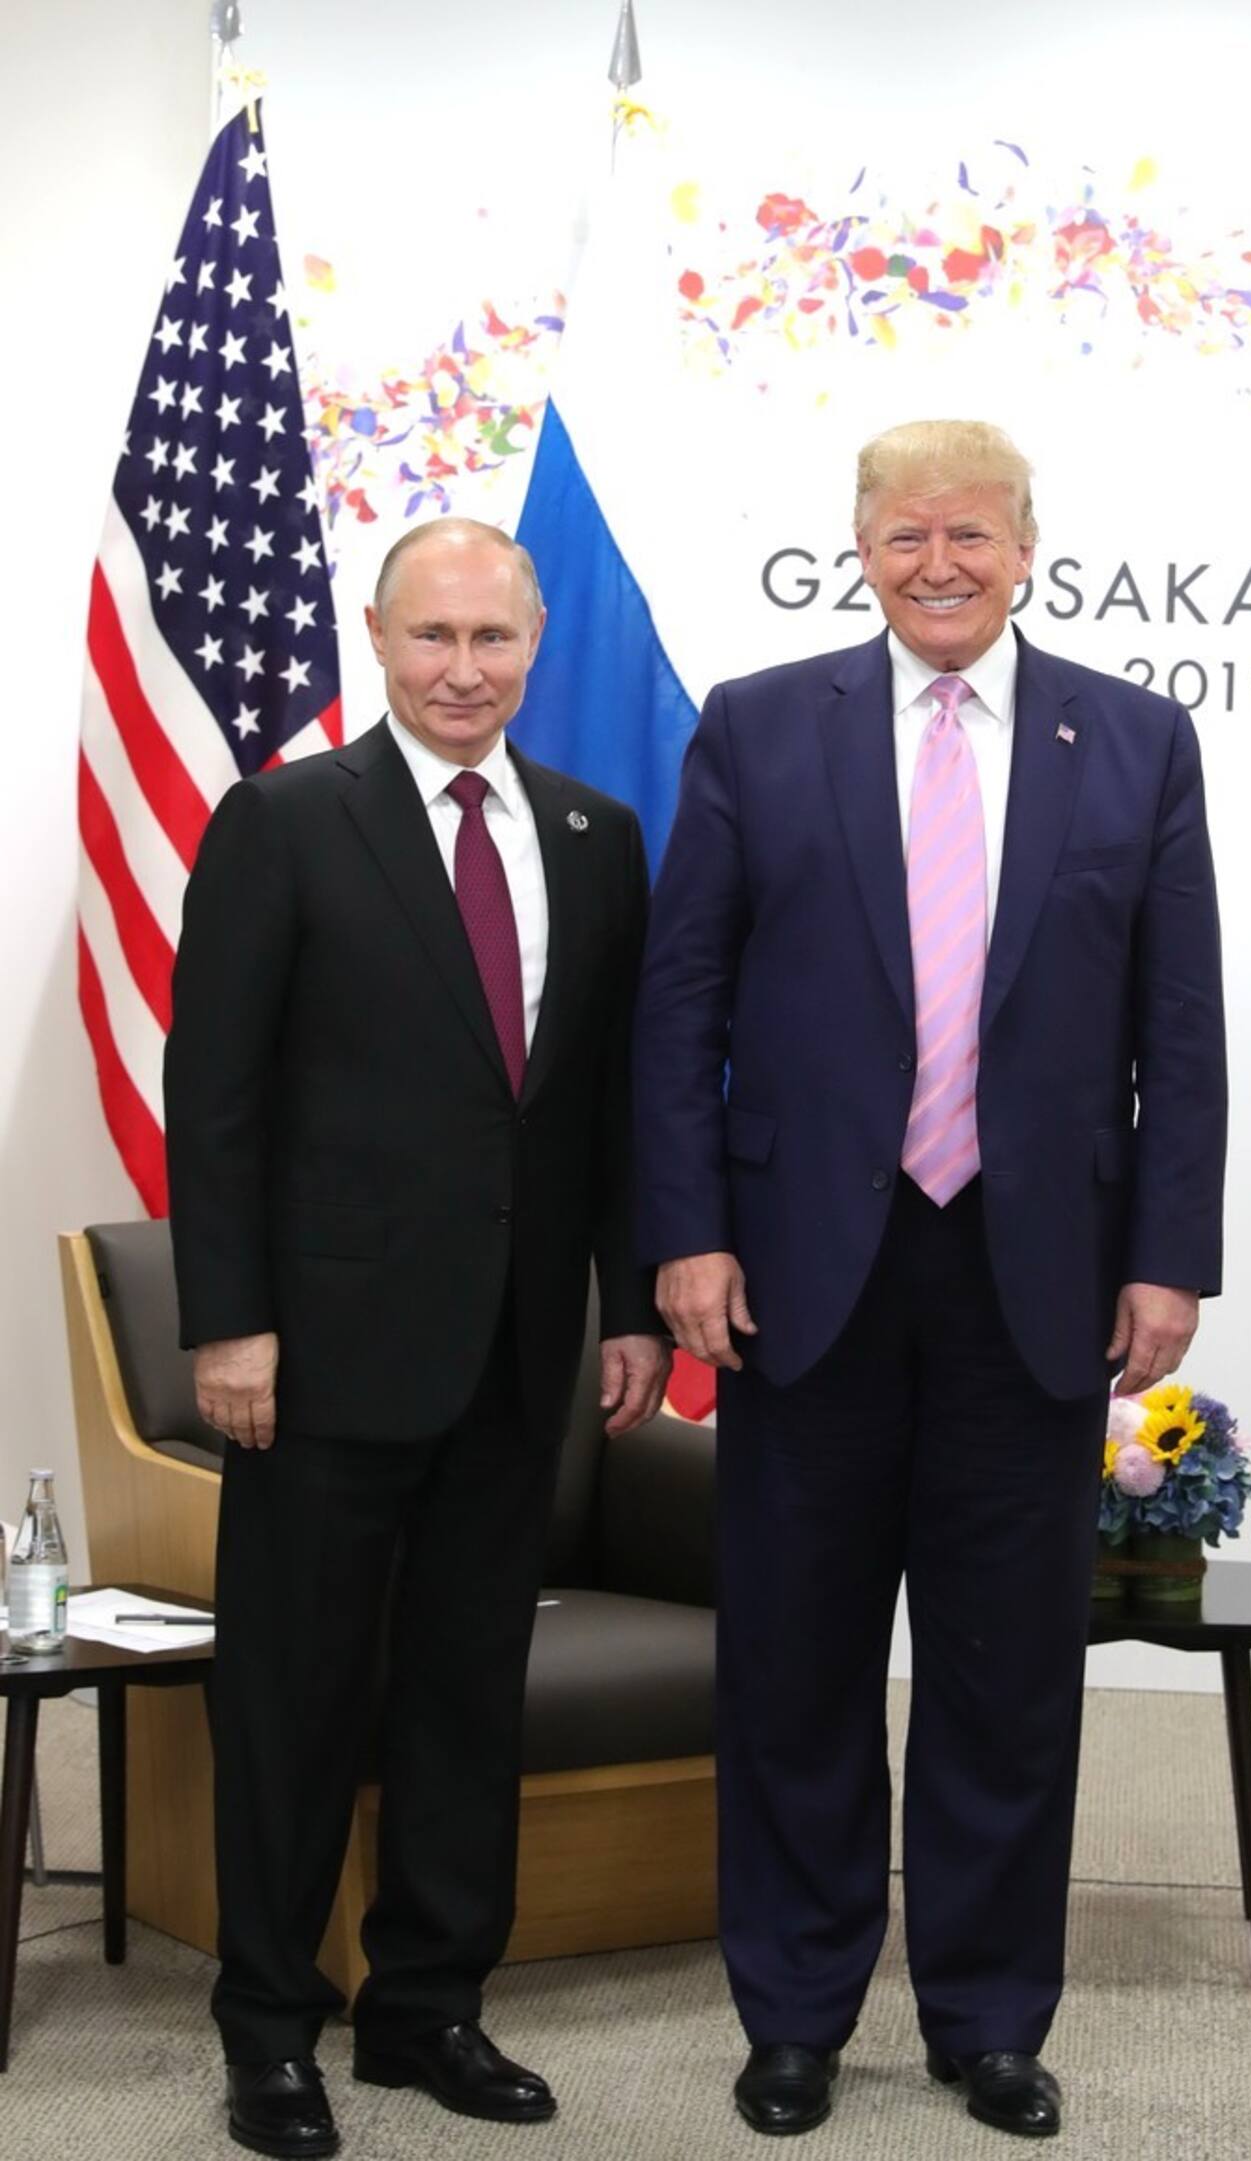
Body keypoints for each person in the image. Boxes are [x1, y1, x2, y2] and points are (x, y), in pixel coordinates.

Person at [633, 420, 1226, 2141]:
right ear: (862, 548)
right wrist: (685, 1228)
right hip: (800, 1274)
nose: (937, 563)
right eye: (904, 535)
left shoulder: (1134, 738)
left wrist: (1168, 1258)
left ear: (1028, 543)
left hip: (1034, 1277)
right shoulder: (760, 725)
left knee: (1008, 1669)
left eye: (969, 533)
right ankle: (798, 2011)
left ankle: (987, 2017)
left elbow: (1175, 1035)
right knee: (798, 1664)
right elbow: (683, 1008)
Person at [165, 517, 669, 2159]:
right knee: (298, 1697)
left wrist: (632, 1295)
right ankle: (269, 2028)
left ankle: (430, 2006)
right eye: (435, 638)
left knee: (468, 1692)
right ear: (379, 641)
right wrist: (228, 1319)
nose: (466, 672)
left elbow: (607, 1107)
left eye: (495, 641)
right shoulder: (285, 821)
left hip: (522, 1354)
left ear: (535, 649)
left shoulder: (598, 836)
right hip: (315, 1357)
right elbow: (216, 1099)